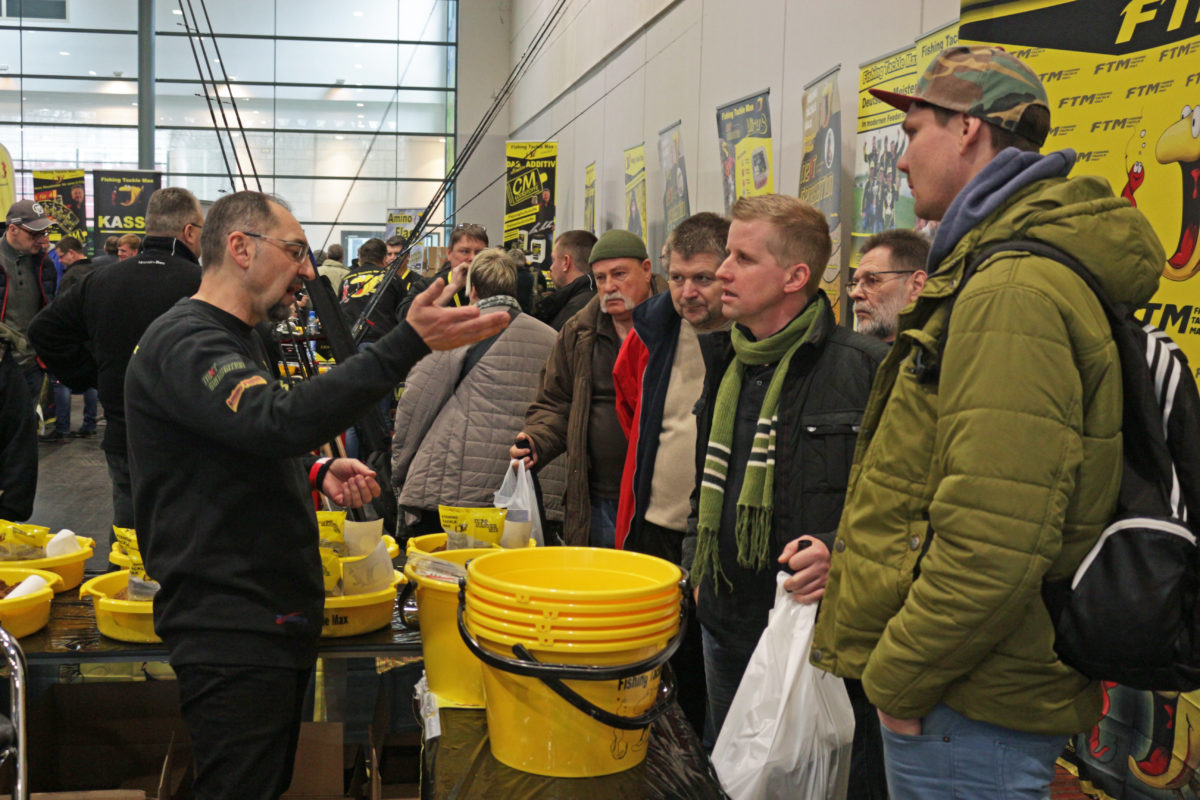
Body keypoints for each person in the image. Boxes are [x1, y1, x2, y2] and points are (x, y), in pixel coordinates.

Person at [809, 46, 1166, 800]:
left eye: (911, 133)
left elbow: (996, 536)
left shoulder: (1011, 290)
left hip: (967, 702)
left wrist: (900, 680)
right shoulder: (992, 267)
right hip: (968, 693)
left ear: (968, 128)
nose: (900, 163)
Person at [124, 190, 507, 800]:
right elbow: (273, 420)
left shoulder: (243, 335)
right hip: (230, 625)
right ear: (240, 248)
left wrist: (307, 472)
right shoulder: (187, 341)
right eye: (295, 250)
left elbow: (229, 440)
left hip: (266, 617)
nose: (306, 269)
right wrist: (404, 344)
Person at [685, 195, 888, 798]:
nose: (722, 271)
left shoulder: (867, 368)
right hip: (726, 621)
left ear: (795, 277)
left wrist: (838, 551)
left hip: (821, 634)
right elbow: (708, 478)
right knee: (736, 779)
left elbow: (905, 498)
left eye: (742, 258)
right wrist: (697, 562)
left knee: (830, 784)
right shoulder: (728, 359)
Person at [611, 211, 730, 738]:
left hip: (717, 540)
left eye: (702, 278)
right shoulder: (653, 331)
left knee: (713, 680)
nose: (688, 292)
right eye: (677, 277)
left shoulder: (753, 336)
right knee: (653, 672)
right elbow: (629, 407)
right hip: (653, 528)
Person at [28, 187, 206, 528]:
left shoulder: (102, 279)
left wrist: (87, 375)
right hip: (189, 439)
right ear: (189, 231)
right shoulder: (203, 284)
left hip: (124, 432)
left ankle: (121, 580)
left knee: (128, 534)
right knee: (186, 535)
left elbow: (43, 330)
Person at [391, 248, 564, 537]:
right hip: (529, 492)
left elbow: (416, 405)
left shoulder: (455, 332)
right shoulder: (552, 338)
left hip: (455, 491)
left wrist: (399, 472)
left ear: (473, 290)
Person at [512, 229, 661, 547]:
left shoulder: (677, 326)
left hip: (661, 498)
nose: (610, 287)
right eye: (601, 278)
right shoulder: (578, 332)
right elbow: (555, 401)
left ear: (646, 270)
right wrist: (537, 440)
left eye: (620, 274)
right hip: (597, 498)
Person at [0, 199, 56, 521]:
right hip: (2, 363)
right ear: (12, 230)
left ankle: (11, 516)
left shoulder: (43, 263)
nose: (42, 239)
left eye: (44, 232)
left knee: (22, 446)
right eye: (35, 233)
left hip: (30, 366)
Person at [41, 236, 99, 442]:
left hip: (72, 337)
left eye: (62, 256)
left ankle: (62, 429)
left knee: (60, 381)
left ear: (72, 253)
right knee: (92, 383)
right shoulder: (96, 272)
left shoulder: (70, 277)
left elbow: (61, 310)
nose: (61, 261)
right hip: (93, 337)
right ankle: (90, 425)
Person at [849, 229, 929, 343]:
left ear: (916, 286)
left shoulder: (943, 356)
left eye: (872, 280)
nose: (854, 293)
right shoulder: (850, 356)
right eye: (855, 283)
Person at [397, 223, 487, 317]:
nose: (472, 258)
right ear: (448, 253)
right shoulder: (428, 285)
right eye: (465, 251)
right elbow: (404, 316)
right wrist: (452, 288)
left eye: (479, 252)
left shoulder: (493, 285)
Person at [534, 229, 597, 330]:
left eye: (553, 260)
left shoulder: (573, 314)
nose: (551, 267)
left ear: (566, 262)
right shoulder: (594, 299)